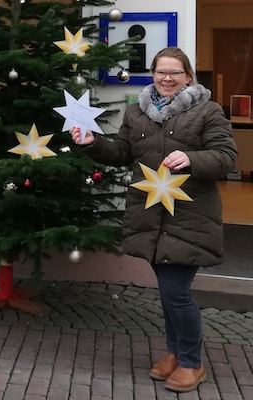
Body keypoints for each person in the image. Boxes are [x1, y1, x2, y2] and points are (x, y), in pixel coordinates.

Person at [71, 47, 237, 393]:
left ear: (188, 76)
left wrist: (191, 158)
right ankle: (176, 353)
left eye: (175, 73)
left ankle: (192, 362)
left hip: (190, 217)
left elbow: (225, 158)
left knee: (176, 293)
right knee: (167, 292)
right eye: (161, 72)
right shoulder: (137, 112)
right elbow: (121, 154)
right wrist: (92, 142)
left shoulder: (208, 111)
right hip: (150, 214)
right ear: (153, 74)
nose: (166, 79)